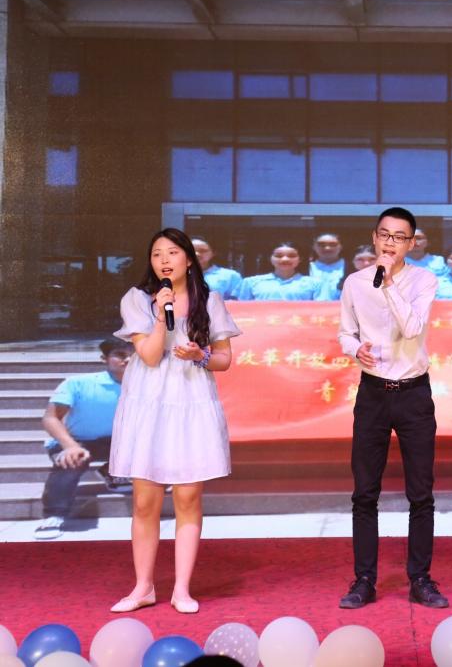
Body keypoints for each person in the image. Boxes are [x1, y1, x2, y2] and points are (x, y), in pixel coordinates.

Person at [108, 228, 241, 614]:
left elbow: (224, 360)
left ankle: (182, 589)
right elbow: (150, 356)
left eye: (172, 253)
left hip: (191, 398)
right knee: (144, 501)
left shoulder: (210, 300)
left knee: (187, 496)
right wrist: (160, 317)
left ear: (189, 259)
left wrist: (200, 355)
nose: (164, 260)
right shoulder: (137, 299)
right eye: (156, 254)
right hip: (149, 400)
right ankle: (143, 587)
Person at [336, 207, 448, 610]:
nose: (390, 243)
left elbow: (412, 327)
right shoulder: (354, 283)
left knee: (421, 492)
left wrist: (386, 284)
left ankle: (420, 579)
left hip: (414, 393)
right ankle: (364, 579)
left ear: (411, 243)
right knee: (365, 492)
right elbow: (345, 332)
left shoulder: (423, 280)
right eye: (384, 235)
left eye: (399, 237)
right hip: (373, 394)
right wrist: (356, 349)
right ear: (374, 236)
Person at [33, 338, 134, 540]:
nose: (129, 360)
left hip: (116, 442)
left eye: (134, 355)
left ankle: (111, 470)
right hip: (76, 442)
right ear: (104, 358)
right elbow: (50, 418)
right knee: (73, 460)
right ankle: (54, 515)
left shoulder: (148, 386)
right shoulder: (79, 383)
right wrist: (69, 446)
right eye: (120, 355)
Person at [237, 241, 321, 300]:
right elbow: (242, 310)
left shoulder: (314, 284)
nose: (285, 259)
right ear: (269, 258)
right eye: (278, 256)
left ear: (300, 259)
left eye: (292, 256)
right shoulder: (251, 282)